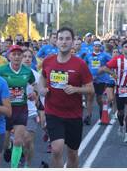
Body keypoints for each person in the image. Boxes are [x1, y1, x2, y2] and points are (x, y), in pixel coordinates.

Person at [39, 27, 94, 167]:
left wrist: (76, 89)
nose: (64, 42)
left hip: (73, 115)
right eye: (61, 39)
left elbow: (91, 89)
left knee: (72, 153)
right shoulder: (48, 61)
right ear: (56, 41)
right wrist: (41, 88)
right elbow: (42, 77)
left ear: (72, 42)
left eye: (67, 39)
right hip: (53, 112)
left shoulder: (80, 64)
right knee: (56, 149)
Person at [0, 45, 37, 168]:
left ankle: (14, 168)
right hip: (6, 108)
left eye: (19, 54)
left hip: (21, 109)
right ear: (9, 56)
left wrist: (34, 93)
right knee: (4, 141)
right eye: (13, 54)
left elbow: (34, 84)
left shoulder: (27, 71)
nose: (16, 57)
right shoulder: (1, 70)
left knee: (19, 141)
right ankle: (8, 146)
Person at [99, 40, 127, 144]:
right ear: (122, 49)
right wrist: (112, 73)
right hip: (119, 89)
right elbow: (104, 68)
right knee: (121, 112)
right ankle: (121, 125)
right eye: (126, 46)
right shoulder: (117, 60)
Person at [21, 49, 41, 168]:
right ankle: (20, 159)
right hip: (14, 112)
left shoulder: (36, 75)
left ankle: (27, 165)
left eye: (29, 57)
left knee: (28, 141)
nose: (27, 58)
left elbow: (40, 94)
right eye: (25, 56)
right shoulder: (12, 74)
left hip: (31, 112)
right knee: (19, 142)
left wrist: (35, 97)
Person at [84, 40, 111, 124]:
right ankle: (88, 116)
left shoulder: (105, 55)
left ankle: (102, 114)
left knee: (99, 99)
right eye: (95, 46)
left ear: (101, 47)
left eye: (99, 46)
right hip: (90, 80)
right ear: (93, 47)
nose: (97, 48)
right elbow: (84, 65)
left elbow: (111, 64)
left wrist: (104, 69)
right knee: (89, 98)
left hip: (102, 80)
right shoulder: (88, 55)